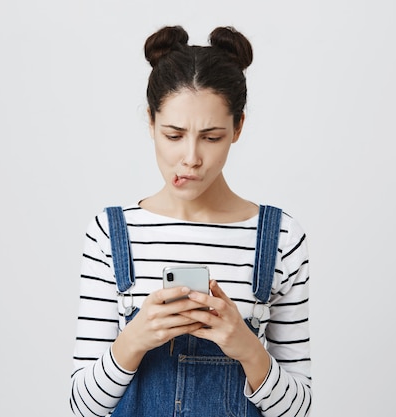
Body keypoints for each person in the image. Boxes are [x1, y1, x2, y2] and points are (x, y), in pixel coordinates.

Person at [69, 25, 312, 417]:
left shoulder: (282, 237)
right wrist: (133, 340)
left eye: (212, 137)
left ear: (238, 128)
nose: (191, 157)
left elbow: (300, 410)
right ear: (151, 122)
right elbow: (83, 408)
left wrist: (249, 349)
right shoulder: (110, 234)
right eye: (174, 134)